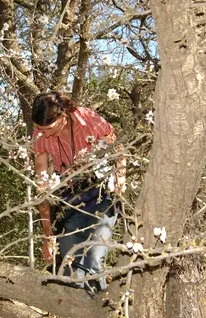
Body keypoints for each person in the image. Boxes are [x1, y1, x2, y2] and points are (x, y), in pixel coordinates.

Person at [31, 91, 126, 292]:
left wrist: (121, 179)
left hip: (101, 192)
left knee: (93, 259)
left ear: (63, 114)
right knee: (70, 267)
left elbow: (118, 150)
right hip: (69, 198)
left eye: (49, 128)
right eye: (41, 129)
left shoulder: (89, 119)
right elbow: (42, 186)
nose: (45, 134)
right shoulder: (40, 135)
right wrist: (47, 236)